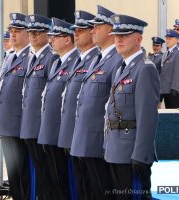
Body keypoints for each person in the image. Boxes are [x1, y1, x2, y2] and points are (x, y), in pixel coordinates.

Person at [105, 14, 160, 200]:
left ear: (138, 39)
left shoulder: (145, 68)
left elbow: (147, 117)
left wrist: (141, 155)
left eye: (124, 35)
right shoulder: (121, 67)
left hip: (131, 152)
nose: (118, 39)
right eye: (116, 35)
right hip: (115, 149)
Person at [70, 5, 122, 200]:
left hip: (99, 138)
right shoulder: (98, 59)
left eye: (97, 26)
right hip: (86, 136)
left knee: (101, 189)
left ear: (110, 30)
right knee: (88, 189)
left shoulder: (116, 59)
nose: (92, 30)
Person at [57, 10, 99, 200]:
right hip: (75, 132)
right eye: (75, 30)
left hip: (90, 135)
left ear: (92, 32)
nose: (76, 33)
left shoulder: (95, 58)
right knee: (80, 184)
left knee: (91, 186)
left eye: (81, 30)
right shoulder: (80, 59)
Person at [37, 17, 80, 200]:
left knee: (65, 181)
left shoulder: (75, 61)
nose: (51, 39)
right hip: (51, 130)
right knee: (54, 180)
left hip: (62, 131)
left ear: (67, 39)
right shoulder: (57, 62)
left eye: (55, 36)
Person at [0, 13, 31, 200]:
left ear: (27, 33)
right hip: (6, 124)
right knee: (13, 174)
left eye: (17, 31)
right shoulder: (10, 57)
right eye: (11, 31)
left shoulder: (30, 58)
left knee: (23, 173)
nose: (13, 35)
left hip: (19, 126)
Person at [20, 14, 58, 200]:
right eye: (30, 32)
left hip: (40, 126)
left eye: (37, 32)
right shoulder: (31, 58)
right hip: (29, 125)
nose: (33, 35)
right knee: (38, 171)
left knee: (46, 173)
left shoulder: (51, 58)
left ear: (47, 34)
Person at [160, 29, 179, 108]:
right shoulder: (165, 54)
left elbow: (178, 72)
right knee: (169, 114)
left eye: (170, 38)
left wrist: (175, 88)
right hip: (166, 89)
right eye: (166, 38)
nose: (167, 40)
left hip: (174, 90)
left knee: (176, 115)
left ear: (177, 39)